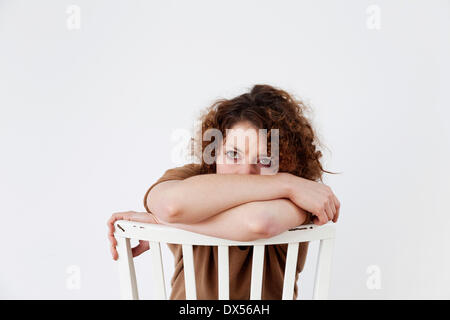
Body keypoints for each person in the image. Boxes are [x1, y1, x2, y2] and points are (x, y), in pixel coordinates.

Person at [107, 84, 340, 299]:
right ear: (214, 152)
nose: (245, 172)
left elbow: (259, 222)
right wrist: (287, 183)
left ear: (287, 163)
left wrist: (162, 221)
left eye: (265, 160)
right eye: (233, 154)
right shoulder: (193, 178)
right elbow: (171, 206)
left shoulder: (301, 197)